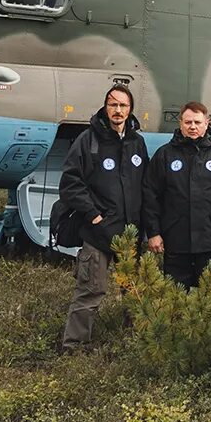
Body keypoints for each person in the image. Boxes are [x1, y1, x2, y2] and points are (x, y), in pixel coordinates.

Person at [54, 84, 147, 349]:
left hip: (130, 233)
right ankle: (74, 345)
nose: (118, 110)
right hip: (98, 233)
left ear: (130, 109)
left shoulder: (136, 142)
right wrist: (94, 216)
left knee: (135, 291)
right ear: (105, 107)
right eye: (113, 104)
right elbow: (71, 183)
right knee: (91, 289)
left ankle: (135, 339)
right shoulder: (88, 140)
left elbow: (145, 185)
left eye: (123, 105)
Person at [142, 102, 211, 287]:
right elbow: (151, 196)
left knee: (210, 300)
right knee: (175, 301)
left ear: (206, 123)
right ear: (181, 123)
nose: (193, 127)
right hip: (175, 241)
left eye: (197, 122)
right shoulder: (164, 155)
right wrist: (154, 232)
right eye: (188, 122)